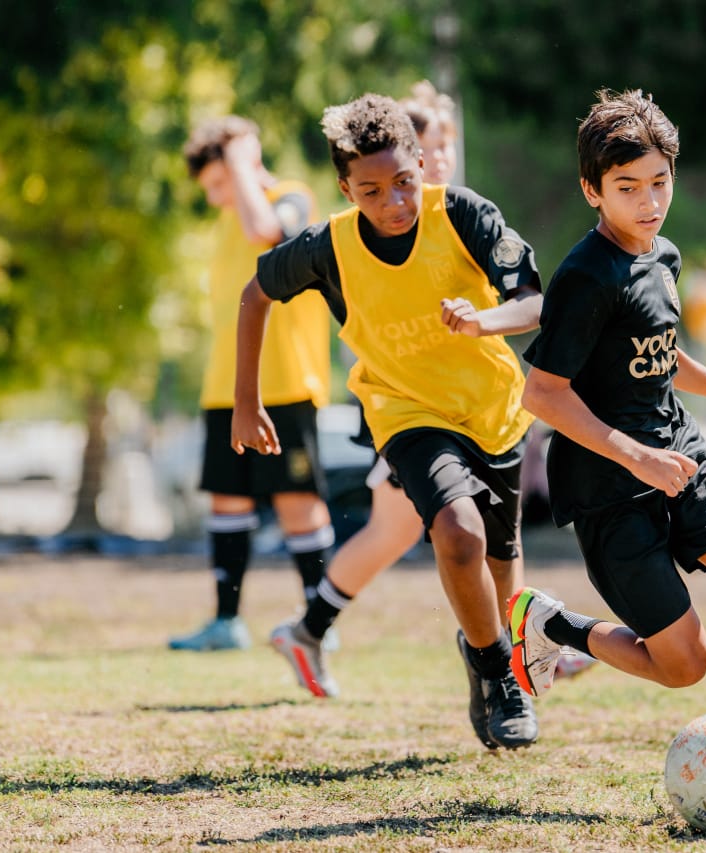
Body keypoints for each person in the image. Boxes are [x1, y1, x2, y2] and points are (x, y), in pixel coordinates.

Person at [509, 89, 706, 819]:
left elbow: (659, 356)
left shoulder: (663, 254)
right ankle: (553, 625)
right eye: (626, 189)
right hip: (609, 485)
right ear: (592, 190)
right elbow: (542, 394)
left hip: (681, 453)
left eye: (659, 183)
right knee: (684, 665)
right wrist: (634, 457)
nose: (648, 204)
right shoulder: (585, 277)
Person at [231, 93, 543, 751]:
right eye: (371, 191)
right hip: (405, 414)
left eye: (405, 182)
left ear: (424, 162)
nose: (395, 201)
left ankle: (483, 651)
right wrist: (245, 398)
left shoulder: (464, 214)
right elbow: (255, 294)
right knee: (454, 532)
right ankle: (498, 675)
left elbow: (532, 302)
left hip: (494, 411)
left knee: (500, 576)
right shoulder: (330, 246)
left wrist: (483, 319)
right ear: (345, 188)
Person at [168, 116, 336, 653]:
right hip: (225, 389)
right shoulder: (224, 222)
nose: (219, 197)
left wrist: (241, 164)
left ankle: (319, 624)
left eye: (220, 182)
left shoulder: (293, 197)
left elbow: (267, 232)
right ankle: (225, 623)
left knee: (295, 497)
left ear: (245, 162)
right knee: (229, 501)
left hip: (285, 383)